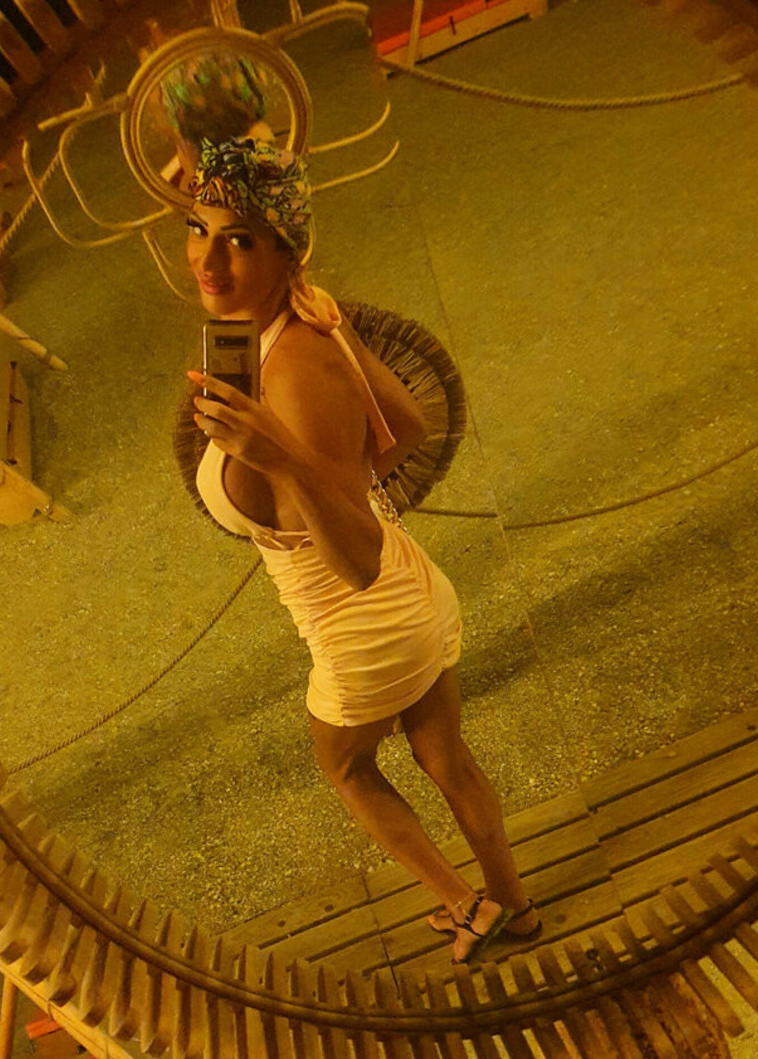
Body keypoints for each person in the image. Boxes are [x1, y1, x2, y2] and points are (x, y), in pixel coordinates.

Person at [186, 137, 540, 964]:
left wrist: (285, 461)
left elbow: (356, 560)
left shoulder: (292, 373)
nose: (208, 259)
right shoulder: (313, 317)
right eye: (197, 230)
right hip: (419, 596)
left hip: (358, 622)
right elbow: (409, 425)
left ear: (285, 251)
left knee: (346, 767)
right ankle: (516, 906)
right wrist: (343, 473)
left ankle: (462, 902)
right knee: (445, 755)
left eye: (239, 240)